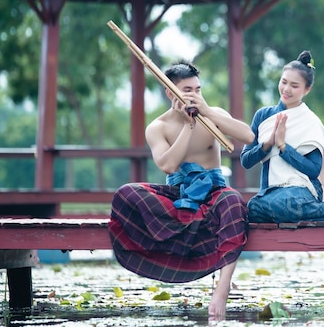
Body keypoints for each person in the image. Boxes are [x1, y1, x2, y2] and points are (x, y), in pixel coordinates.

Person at [108, 59, 255, 320]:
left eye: (198, 89)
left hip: (214, 192)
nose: (195, 95)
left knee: (234, 200)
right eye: (188, 90)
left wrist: (207, 112)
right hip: (178, 194)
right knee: (126, 193)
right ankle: (172, 249)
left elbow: (248, 136)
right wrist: (188, 126)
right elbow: (167, 165)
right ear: (170, 92)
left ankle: (222, 288)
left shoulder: (212, 114)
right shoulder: (158, 127)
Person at [241, 51, 324, 223]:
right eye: (283, 82)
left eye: (294, 86)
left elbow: (313, 170)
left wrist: (284, 147)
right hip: (269, 193)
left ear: (306, 89)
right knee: (252, 209)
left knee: (288, 203)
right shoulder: (263, 115)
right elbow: (246, 161)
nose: (286, 89)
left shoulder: (310, 121)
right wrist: (268, 143)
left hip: (300, 191)